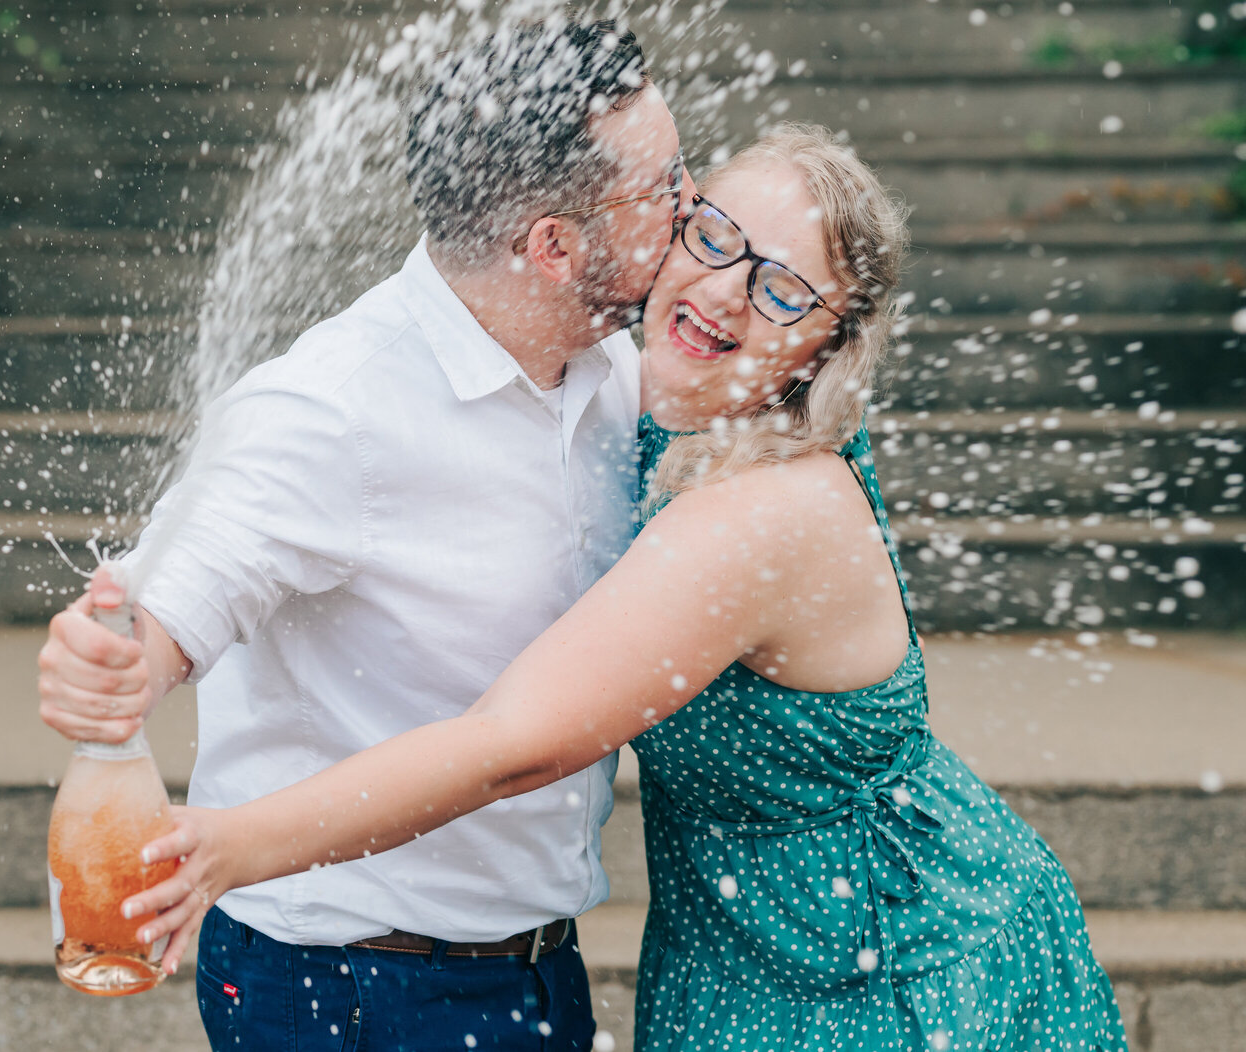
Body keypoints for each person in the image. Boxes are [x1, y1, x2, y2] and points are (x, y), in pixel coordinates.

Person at [115, 124, 1129, 1052]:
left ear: (826, 345)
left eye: (782, 291)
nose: (729, 290)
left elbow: (516, 744)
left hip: (883, 961)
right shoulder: (628, 394)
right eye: (716, 237)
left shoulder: (766, 510)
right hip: (747, 939)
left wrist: (227, 846)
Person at [37, 17, 694, 1051]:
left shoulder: (621, 372)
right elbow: (173, 598)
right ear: (551, 245)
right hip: (345, 987)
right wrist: (119, 664)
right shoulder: (330, 408)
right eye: (663, 190)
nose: (692, 210)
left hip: (534, 967)